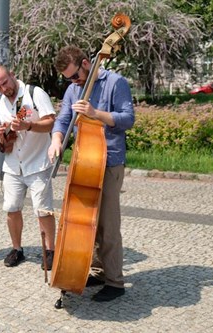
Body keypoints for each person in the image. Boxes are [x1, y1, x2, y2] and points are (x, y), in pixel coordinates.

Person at [48, 45, 135, 302]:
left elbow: (128, 119)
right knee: (89, 222)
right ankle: (97, 270)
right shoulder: (74, 89)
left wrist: (96, 114)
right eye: (68, 79)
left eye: (75, 76)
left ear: (87, 63)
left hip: (109, 161)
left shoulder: (115, 82)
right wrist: (56, 140)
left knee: (108, 225)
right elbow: (63, 120)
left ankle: (115, 282)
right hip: (84, 160)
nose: (73, 82)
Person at [0, 61, 57, 269]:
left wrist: (29, 125)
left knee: (43, 210)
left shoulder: (34, 93)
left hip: (37, 163)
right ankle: (17, 249)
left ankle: (50, 251)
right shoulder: (0, 101)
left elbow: (51, 122)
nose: (3, 88)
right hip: (12, 165)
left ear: (12, 74)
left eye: (4, 83)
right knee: (11, 208)